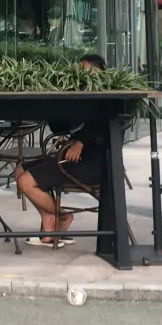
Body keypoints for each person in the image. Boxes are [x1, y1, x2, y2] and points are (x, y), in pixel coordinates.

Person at [14, 53, 109, 248]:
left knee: (26, 181)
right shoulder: (80, 93)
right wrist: (52, 105)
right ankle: (50, 219)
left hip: (93, 163)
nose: (78, 74)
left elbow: (102, 124)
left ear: (97, 72)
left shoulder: (106, 94)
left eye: (83, 70)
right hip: (72, 157)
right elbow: (61, 127)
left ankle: (61, 217)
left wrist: (80, 142)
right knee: (20, 170)